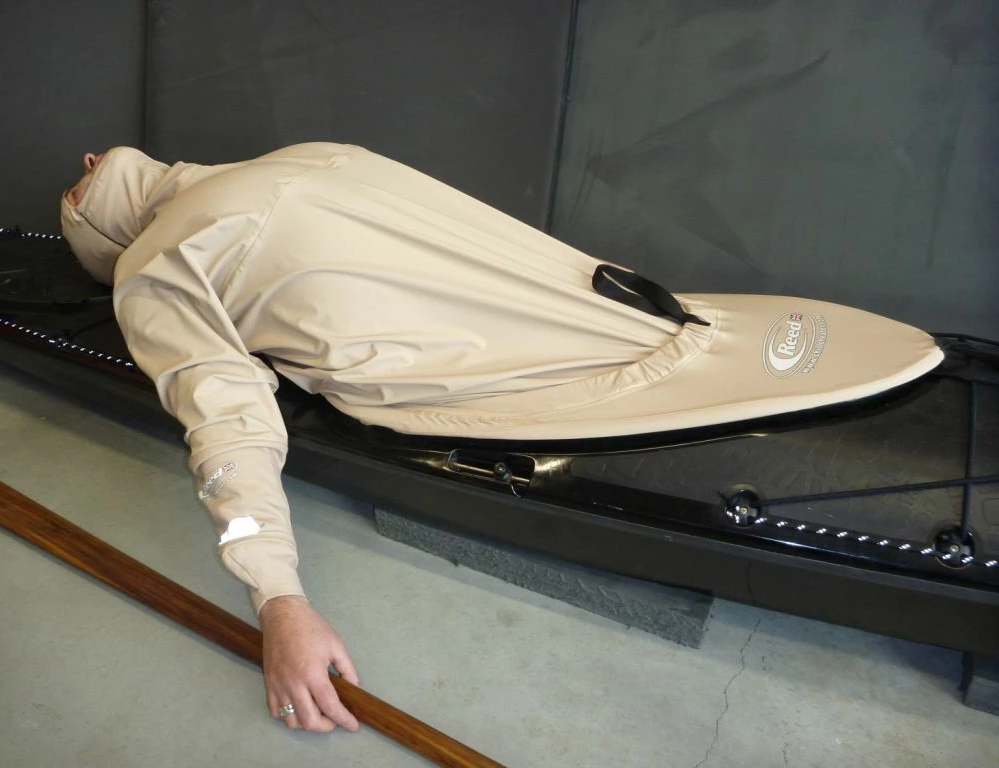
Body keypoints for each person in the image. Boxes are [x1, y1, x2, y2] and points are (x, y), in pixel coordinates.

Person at [60, 143, 940, 734]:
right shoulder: (301, 157)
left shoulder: (154, 269)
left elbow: (227, 421)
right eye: (80, 178)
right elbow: (235, 409)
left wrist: (278, 600)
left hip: (509, 371)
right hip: (624, 312)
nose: (86, 161)